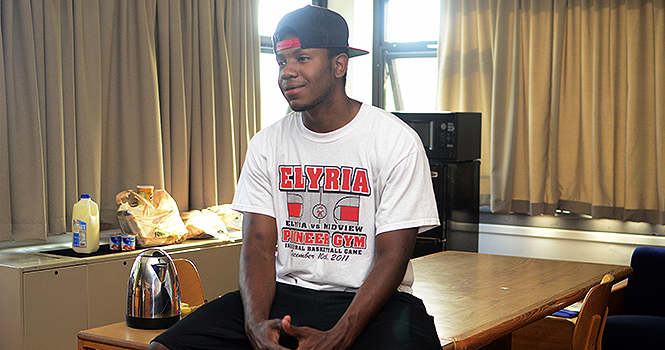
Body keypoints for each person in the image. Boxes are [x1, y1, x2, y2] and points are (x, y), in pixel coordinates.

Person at [149, 5, 441, 350]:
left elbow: (393, 255)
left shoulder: (394, 140)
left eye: (302, 58)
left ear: (339, 65)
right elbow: (257, 244)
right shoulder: (267, 144)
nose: (287, 72)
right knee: (165, 347)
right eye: (281, 61)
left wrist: (341, 335)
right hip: (287, 295)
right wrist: (255, 323)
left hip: (373, 302)